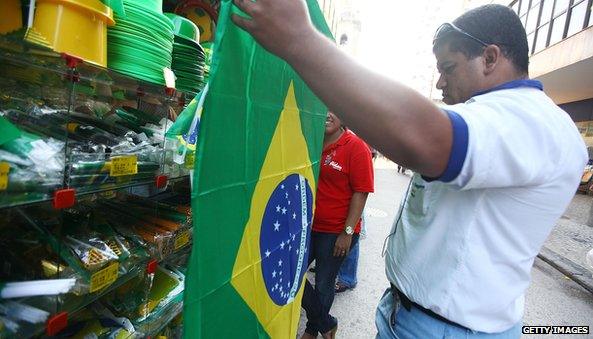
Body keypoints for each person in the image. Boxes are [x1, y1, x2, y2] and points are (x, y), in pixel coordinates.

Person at [231, 2, 587, 338]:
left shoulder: (527, 121)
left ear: (490, 58)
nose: (440, 84)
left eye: (449, 68)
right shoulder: (506, 118)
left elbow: (424, 140)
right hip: (416, 316)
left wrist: (300, 41)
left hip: (444, 328)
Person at [300, 111, 374, 338]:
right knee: (293, 274)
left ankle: (312, 331)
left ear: (343, 115)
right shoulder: (309, 139)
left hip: (336, 231)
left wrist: (347, 232)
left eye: (333, 109)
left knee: (324, 281)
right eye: (322, 107)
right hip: (307, 225)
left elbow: (361, 192)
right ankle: (327, 323)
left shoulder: (356, 147)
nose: (327, 113)